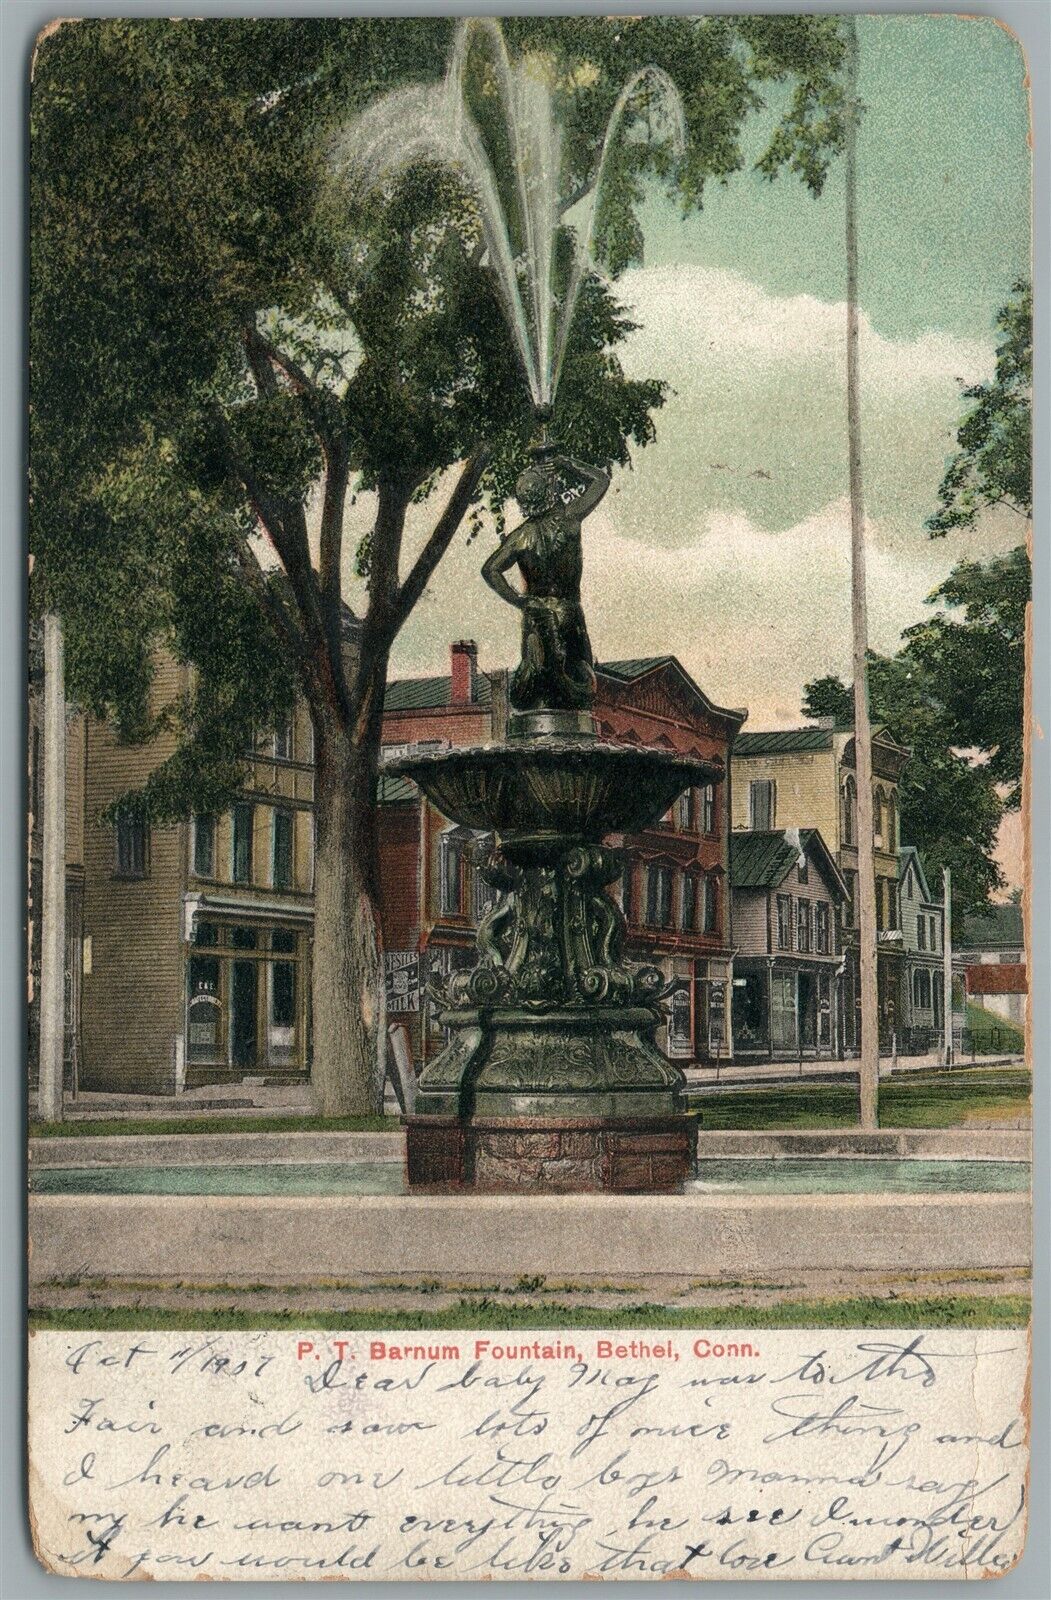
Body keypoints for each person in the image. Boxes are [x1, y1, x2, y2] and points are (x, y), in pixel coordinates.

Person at [481, 453, 610, 712]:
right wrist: (566, 462)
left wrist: (518, 600)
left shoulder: (520, 536)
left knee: (537, 680)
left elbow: (490, 569)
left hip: (536, 614)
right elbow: (601, 480)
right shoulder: (569, 518)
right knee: (579, 674)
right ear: (549, 491)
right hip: (569, 611)